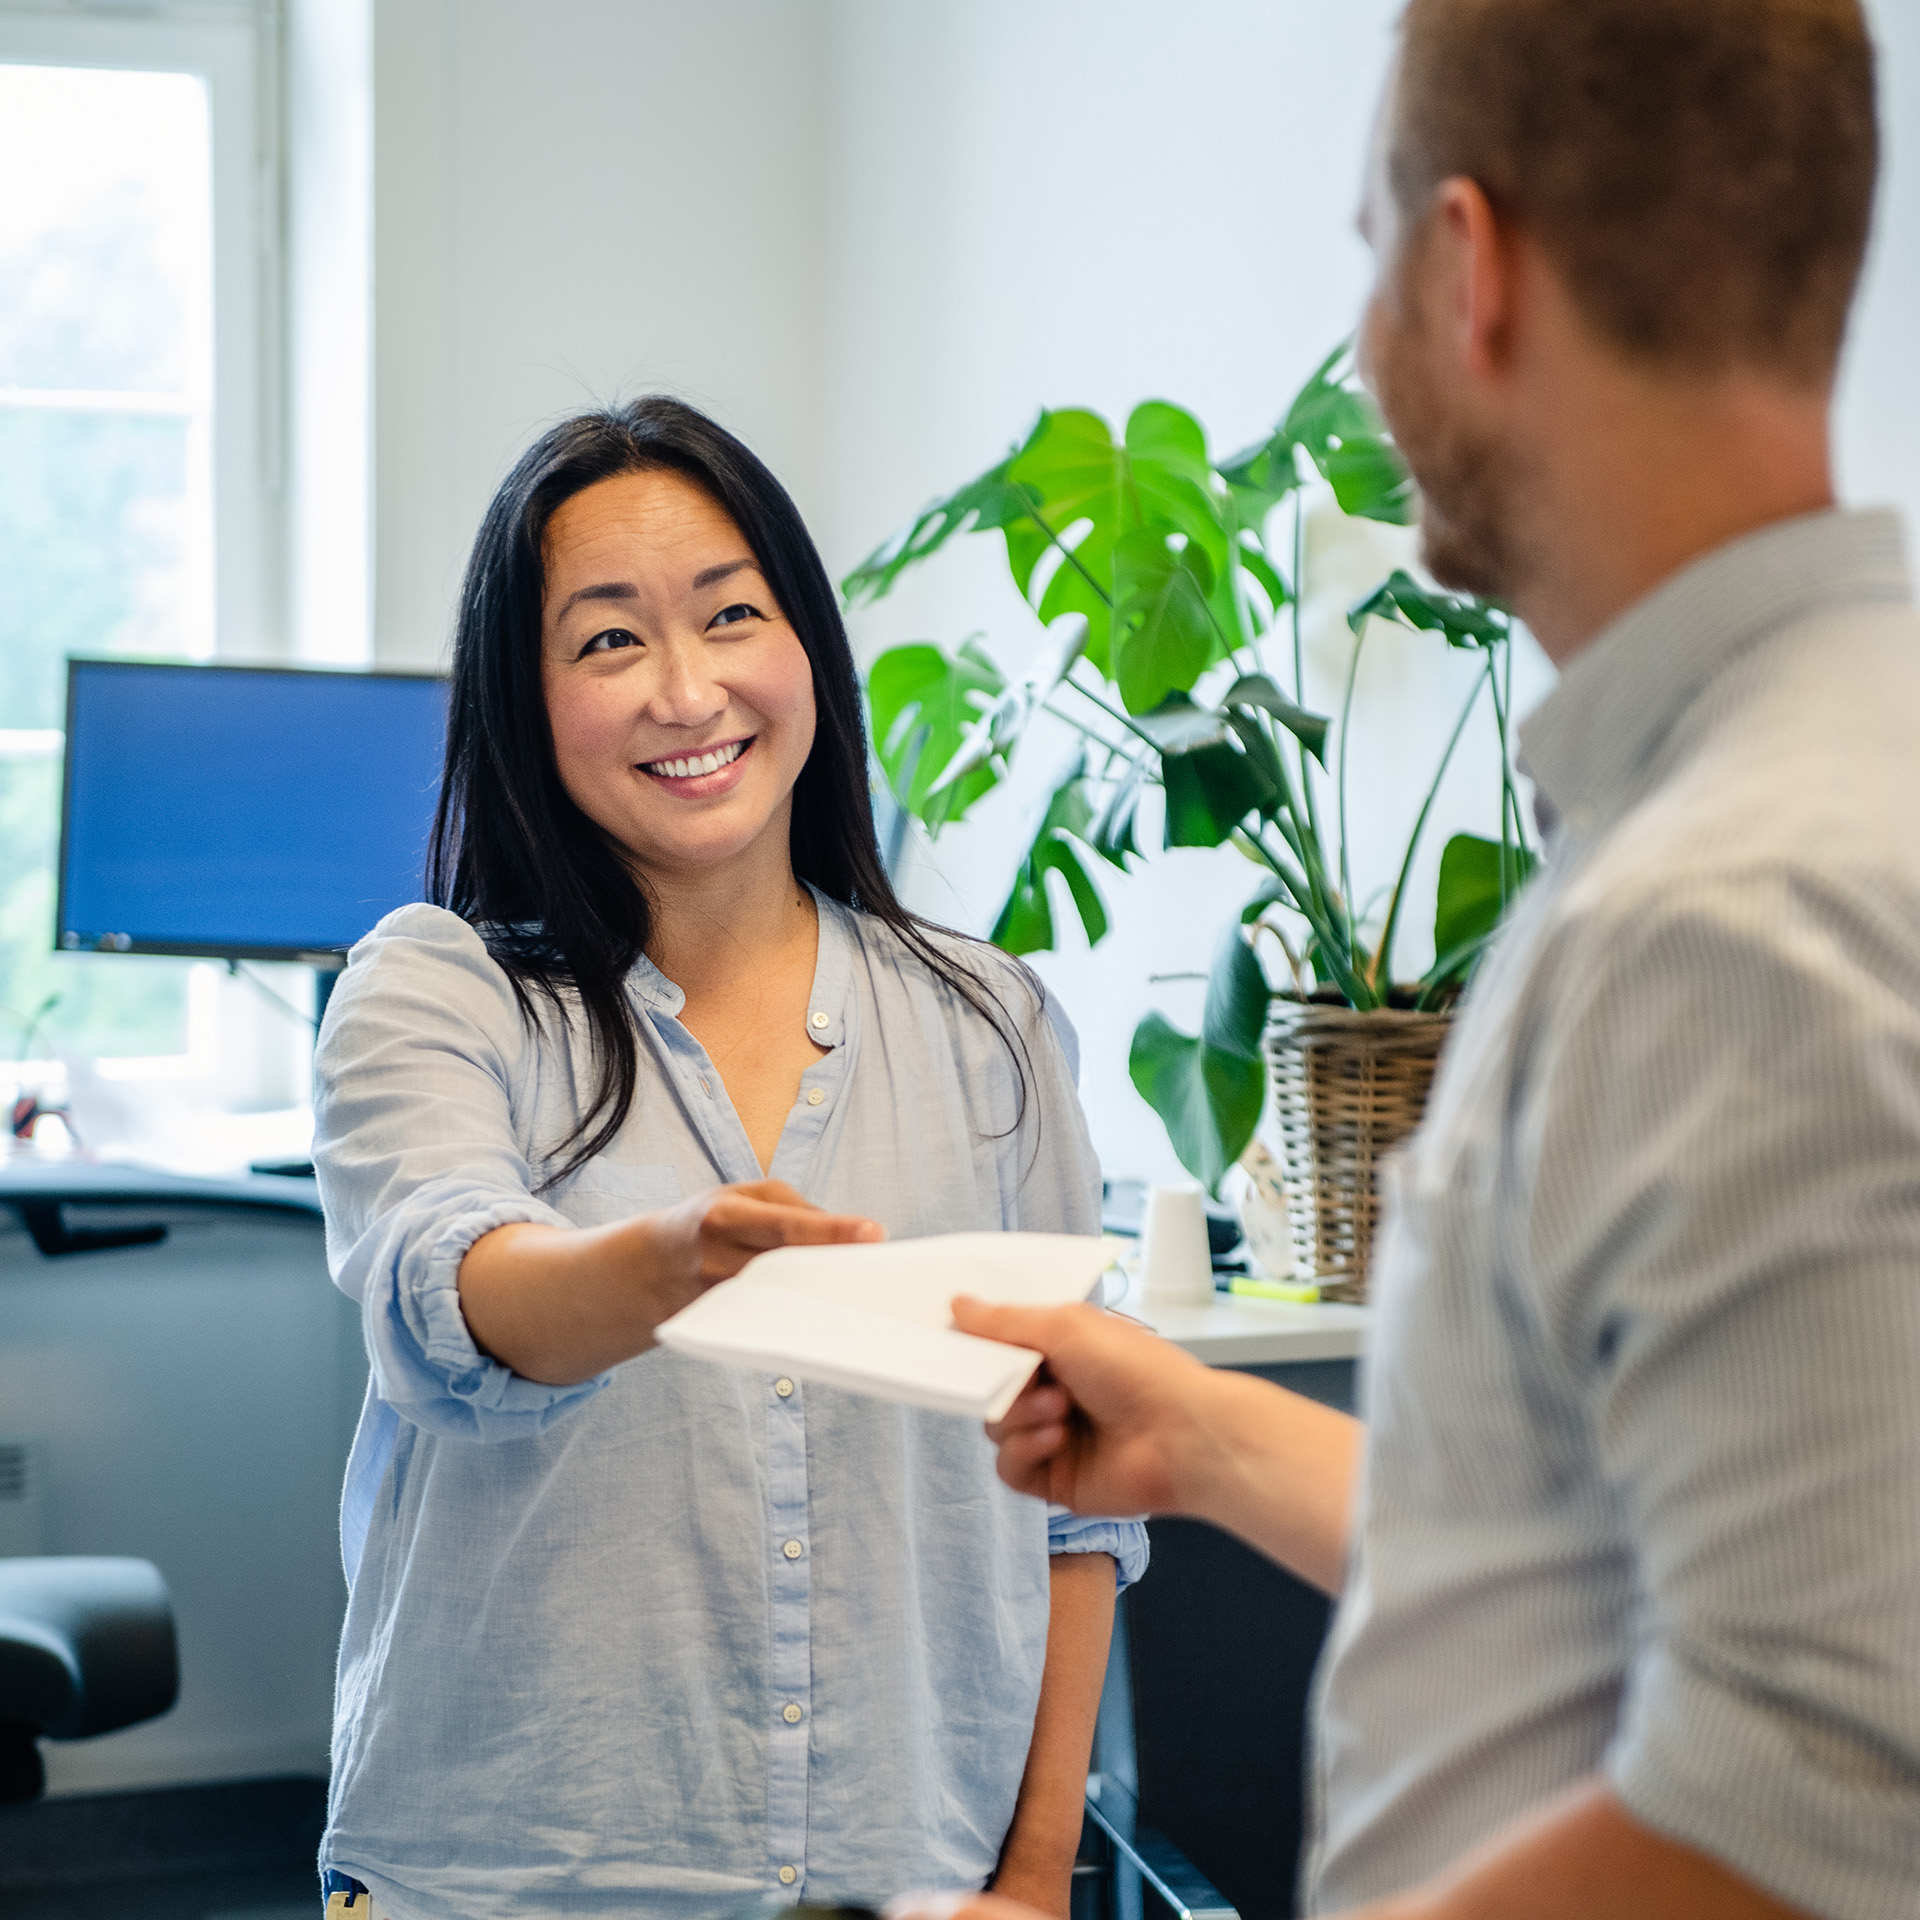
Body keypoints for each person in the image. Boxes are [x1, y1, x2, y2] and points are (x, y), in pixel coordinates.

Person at [904, 2, 1920, 1917]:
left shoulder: (1734, 912)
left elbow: (1811, 1791)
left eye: (1372, 262)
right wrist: (1203, 1435)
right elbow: (1624, 1567)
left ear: (1470, 269)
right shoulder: (1802, 782)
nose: (1367, 348)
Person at [310, 398, 1146, 1920]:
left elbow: (1075, 1497)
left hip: (912, 1872)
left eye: (731, 615)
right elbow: (449, 1288)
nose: (686, 691)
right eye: (608, 641)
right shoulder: (436, 989)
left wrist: (1033, 1881)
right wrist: (667, 1267)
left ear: (807, 643)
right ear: (524, 700)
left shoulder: (989, 1022)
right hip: (512, 1878)